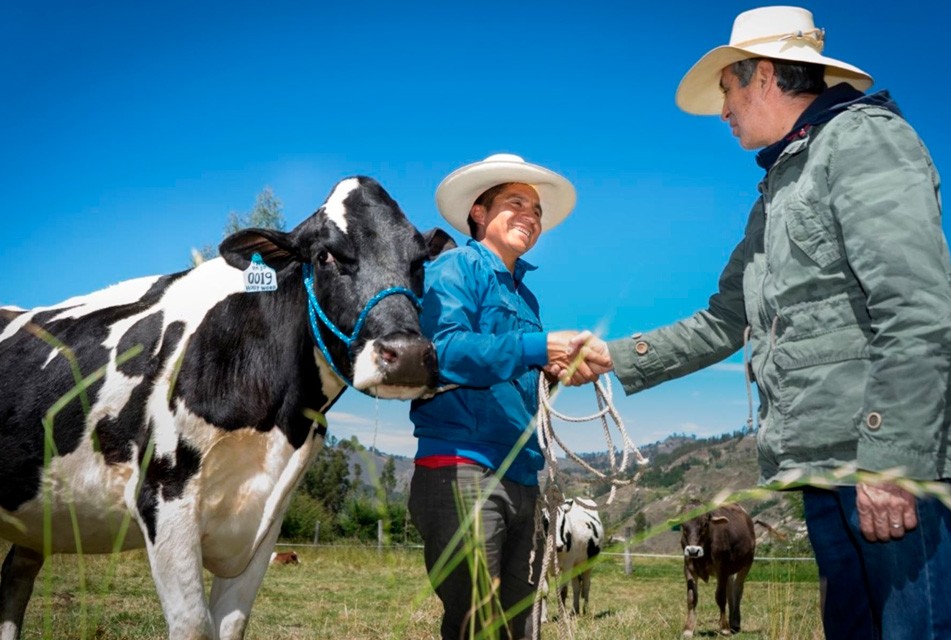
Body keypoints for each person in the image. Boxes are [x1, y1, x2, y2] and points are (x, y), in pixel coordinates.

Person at [558, 6, 951, 639]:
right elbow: (725, 319)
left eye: (727, 90)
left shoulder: (864, 141)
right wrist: (613, 357)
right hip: (827, 470)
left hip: (880, 470)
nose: (723, 110)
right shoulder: (777, 190)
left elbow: (918, 306)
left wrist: (892, 462)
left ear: (763, 76)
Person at [407, 153, 593, 640]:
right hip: (462, 468)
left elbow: (512, 369)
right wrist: (536, 346)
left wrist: (551, 373)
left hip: (522, 475)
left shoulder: (527, 297)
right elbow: (442, 351)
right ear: (479, 213)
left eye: (537, 209)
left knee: (522, 625)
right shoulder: (454, 269)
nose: (531, 216)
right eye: (516, 202)